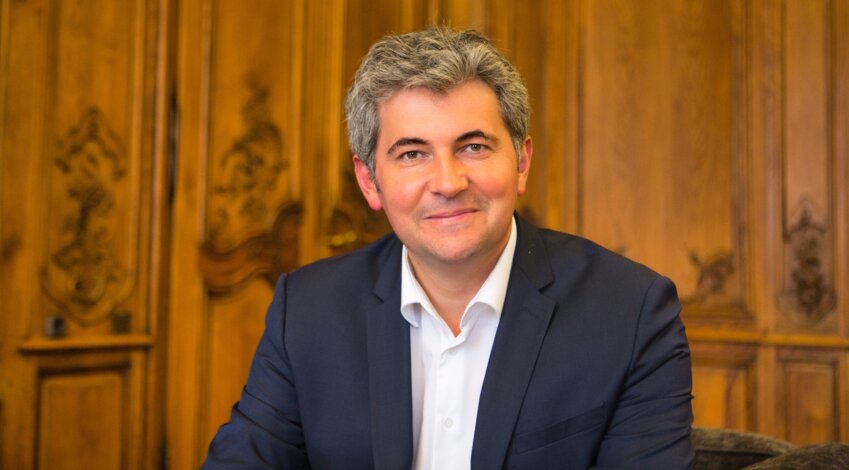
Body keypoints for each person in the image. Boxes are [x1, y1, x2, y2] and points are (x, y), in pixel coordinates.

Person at [203, 27, 694, 469]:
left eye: (473, 147)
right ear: (369, 181)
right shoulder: (308, 311)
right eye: (412, 154)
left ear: (521, 162)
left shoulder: (631, 314)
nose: (448, 182)